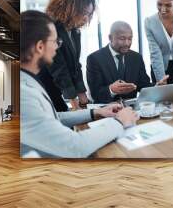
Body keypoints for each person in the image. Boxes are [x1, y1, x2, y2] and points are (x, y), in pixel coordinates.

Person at [20, 10, 139, 158]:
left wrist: (96, 112)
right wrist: (120, 122)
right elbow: (75, 147)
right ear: (39, 47)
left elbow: (54, 118)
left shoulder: (29, 81)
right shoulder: (25, 94)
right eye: (55, 41)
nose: (58, 47)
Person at [38, 0, 95, 110]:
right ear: (70, 8)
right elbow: (59, 68)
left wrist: (82, 95)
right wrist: (75, 103)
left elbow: (75, 65)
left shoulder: (74, 30)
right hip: (44, 86)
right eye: (84, 12)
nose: (86, 18)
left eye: (89, 14)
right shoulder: (50, 28)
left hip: (57, 86)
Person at [86, 21, 168, 104]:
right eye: (122, 39)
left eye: (130, 39)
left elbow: (143, 85)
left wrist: (156, 87)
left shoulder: (136, 57)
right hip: (106, 109)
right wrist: (111, 90)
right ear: (110, 38)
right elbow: (95, 94)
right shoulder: (94, 59)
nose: (127, 43)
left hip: (131, 109)